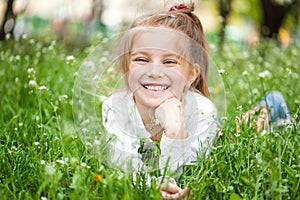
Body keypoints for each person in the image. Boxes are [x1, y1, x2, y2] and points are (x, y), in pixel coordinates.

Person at [101, 2, 218, 199]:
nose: (154, 72)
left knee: (250, 127)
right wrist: (155, 187)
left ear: (191, 75)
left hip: (208, 126)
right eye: (142, 60)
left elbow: (190, 174)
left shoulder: (202, 111)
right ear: (125, 69)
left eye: (169, 62)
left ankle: (267, 109)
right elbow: (122, 170)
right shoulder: (115, 108)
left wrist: (175, 133)